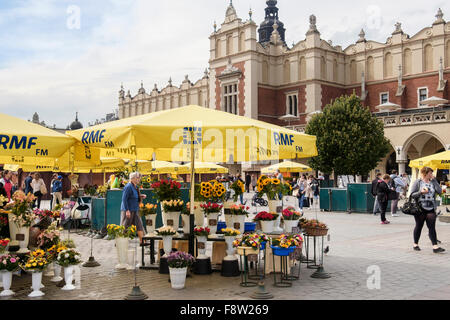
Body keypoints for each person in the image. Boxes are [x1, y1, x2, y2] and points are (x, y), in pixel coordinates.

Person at [410, 167, 444, 253]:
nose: (431, 175)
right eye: (430, 173)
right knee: (419, 226)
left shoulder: (433, 182)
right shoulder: (418, 182)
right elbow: (412, 194)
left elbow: (440, 191)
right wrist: (421, 192)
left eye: (432, 173)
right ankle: (415, 244)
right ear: (425, 173)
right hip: (420, 208)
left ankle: (435, 247)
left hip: (431, 207)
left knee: (432, 227)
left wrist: (435, 181)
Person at [121, 172, 146, 244]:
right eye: (137, 178)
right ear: (132, 178)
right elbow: (124, 199)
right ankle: (120, 241)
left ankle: (142, 241)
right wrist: (127, 210)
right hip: (129, 209)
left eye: (139, 178)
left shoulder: (135, 187)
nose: (139, 179)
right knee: (125, 226)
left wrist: (140, 196)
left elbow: (133, 196)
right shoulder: (128, 186)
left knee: (139, 225)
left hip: (135, 209)